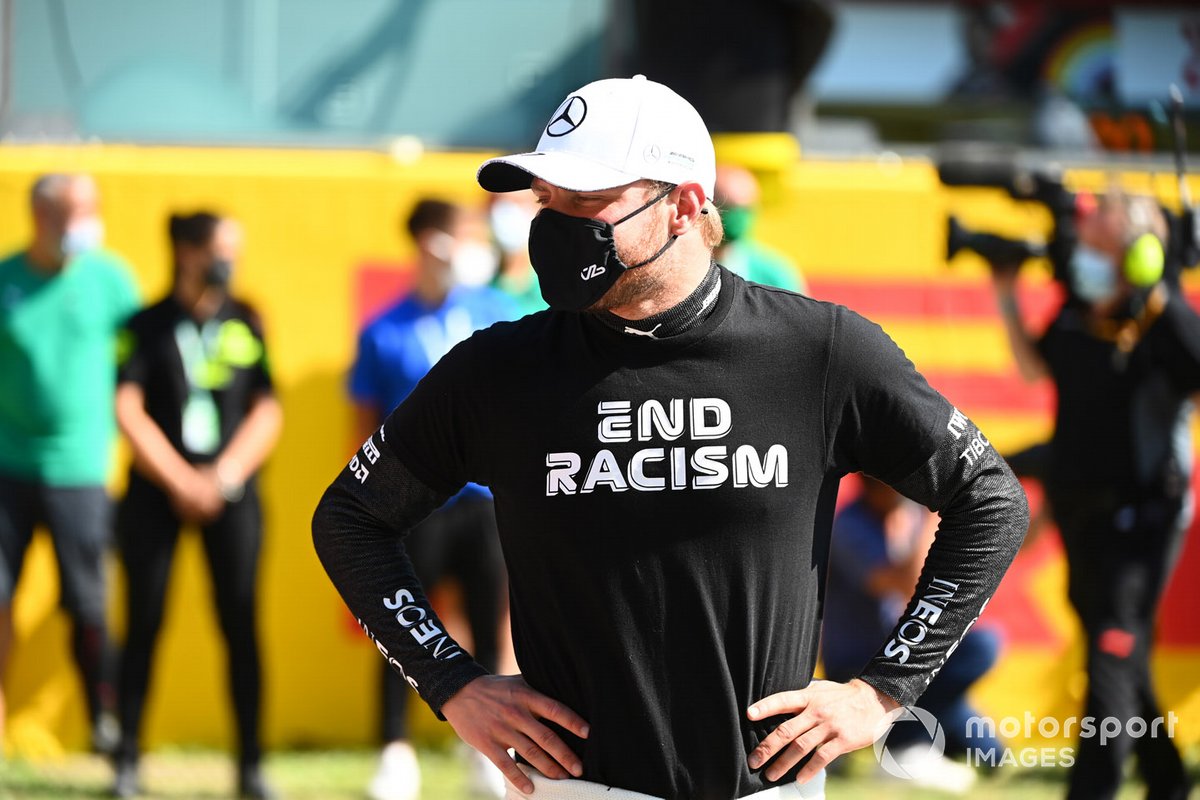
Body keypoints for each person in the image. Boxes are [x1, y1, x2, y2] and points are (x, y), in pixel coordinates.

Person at [313, 75, 1028, 800]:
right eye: (546, 201)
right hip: (577, 790)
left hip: (769, 789)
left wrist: (883, 690)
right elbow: (350, 518)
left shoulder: (818, 350)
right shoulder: (497, 371)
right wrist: (450, 681)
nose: (555, 224)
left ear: (685, 204)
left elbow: (990, 498)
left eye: (587, 201)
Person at [990, 189, 1197, 800]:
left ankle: (1093, 789)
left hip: (1145, 518)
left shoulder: (1168, 322)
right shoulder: (1078, 313)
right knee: (1117, 646)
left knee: (1112, 645)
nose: (1083, 257)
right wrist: (1006, 291)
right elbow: (1038, 372)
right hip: (1080, 510)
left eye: (1098, 247)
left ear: (1140, 258)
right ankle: (1166, 778)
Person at [350, 199, 517, 800]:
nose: (466, 246)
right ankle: (394, 751)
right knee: (399, 625)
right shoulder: (383, 328)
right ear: (425, 241)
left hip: (485, 503)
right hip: (415, 506)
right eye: (455, 235)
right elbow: (364, 424)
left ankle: (488, 751)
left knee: (491, 627)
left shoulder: (497, 312)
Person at [111, 212, 282, 799]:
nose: (227, 260)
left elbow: (267, 408)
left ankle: (251, 766)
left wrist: (225, 474)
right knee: (143, 622)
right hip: (155, 495)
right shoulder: (144, 324)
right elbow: (127, 407)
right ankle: (127, 760)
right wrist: (180, 480)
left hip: (232, 495)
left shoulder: (247, 320)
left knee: (240, 624)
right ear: (186, 252)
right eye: (218, 249)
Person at [0, 173, 139, 753]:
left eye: (92, 211)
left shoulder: (111, 279)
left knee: (87, 605)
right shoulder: (6, 280)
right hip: (7, 466)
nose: (84, 224)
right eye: (73, 213)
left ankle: (100, 717)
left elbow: (141, 362)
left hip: (82, 469)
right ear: (41, 216)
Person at [822, 475, 1002, 792]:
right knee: (980, 647)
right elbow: (906, 583)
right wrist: (934, 520)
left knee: (990, 752)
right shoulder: (850, 525)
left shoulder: (902, 517)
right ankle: (902, 751)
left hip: (907, 656)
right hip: (862, 663)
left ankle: (881, 744)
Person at [713, 163, 807, 293]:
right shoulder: (685, 266)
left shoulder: (775, 273)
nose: (738, 217)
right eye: (729, 207)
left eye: (745, 209)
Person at [488, 191, 548, 317]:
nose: (507, 211)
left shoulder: (554, 287)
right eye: (500, 202)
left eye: (518, 202)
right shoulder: (480, 284)